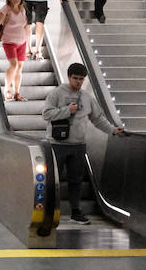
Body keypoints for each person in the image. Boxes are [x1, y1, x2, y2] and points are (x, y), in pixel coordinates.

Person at [41, 63, 126, 223]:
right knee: (53, 179)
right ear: (69, 77)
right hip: (57, 144)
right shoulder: (56, 94)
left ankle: (75, 210)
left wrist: (112, 130)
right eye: (75, 78)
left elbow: (98, 118)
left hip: (78, 146)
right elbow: (46, 114)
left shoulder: (87, 98)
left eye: (81, 79)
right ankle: (49, 209)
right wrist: (67, 110)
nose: (78, 82)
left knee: (76, 179)